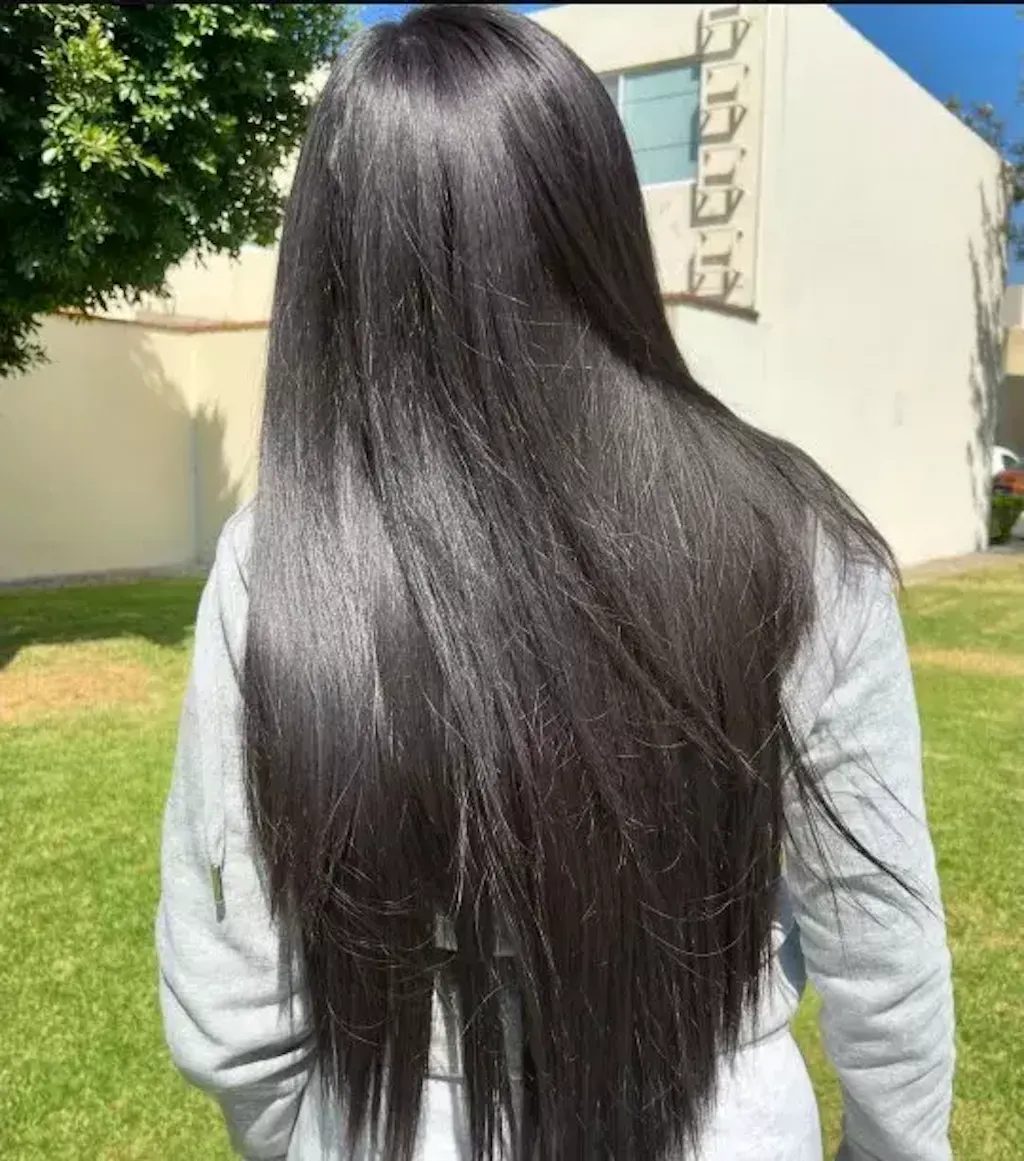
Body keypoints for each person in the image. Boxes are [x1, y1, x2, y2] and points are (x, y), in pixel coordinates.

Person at [155, 6, 954, 1160]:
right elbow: (882, 938)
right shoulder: (793, 536)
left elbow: (231, 1004)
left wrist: (321, 1136)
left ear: (330, 258)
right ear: (595, 218)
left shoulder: (281, 556)